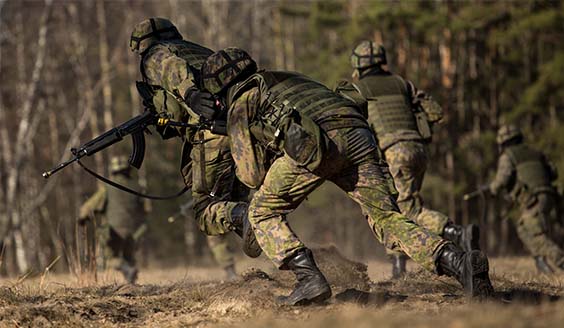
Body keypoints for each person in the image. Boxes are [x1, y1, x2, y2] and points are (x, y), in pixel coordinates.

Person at [191, 47, 494, 305]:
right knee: (388, 219)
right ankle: (460, 262)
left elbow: (251, 176)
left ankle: (308, 278)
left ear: (221, 88)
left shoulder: (241, 103)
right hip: (360, 134)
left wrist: (242, 136)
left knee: (261, 212)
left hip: (318, 144)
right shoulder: (287, 78)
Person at [337, 40, 480, 277]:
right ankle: (399, 267)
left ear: (358, 65)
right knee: (402, 207)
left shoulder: (359, 89)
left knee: (402, 212)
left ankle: (454, 232)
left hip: (393, 152)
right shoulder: (402, 83)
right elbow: (435, 112)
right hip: (417, 150)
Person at [129, 18, 260, 257]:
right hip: (242, 129)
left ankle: (257, 222)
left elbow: (172, 70)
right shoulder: (200, 51)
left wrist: (190, 95)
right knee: (237, 201)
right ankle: (293, 259)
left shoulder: (156, 53)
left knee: (206, 210)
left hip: (211, 133)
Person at [488, 124, 564, 273]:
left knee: (536, 234)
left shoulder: (508, 156)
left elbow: (503, 179)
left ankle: (560, 260)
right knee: (523, 228)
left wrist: (492, 188)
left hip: (533, 199)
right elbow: (553, 173)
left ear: (503, 142)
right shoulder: (536, 152)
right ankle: (541, 263)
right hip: (550, 195)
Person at [79, 156, 146, 283]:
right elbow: (146, 209)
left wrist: (82, 217)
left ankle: (127, 272)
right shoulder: (137, 187)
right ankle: (131, 284)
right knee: (129, 258)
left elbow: (89, 206)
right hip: (134, 231)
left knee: (111, 259)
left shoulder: (108, 187)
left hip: (113, 231)